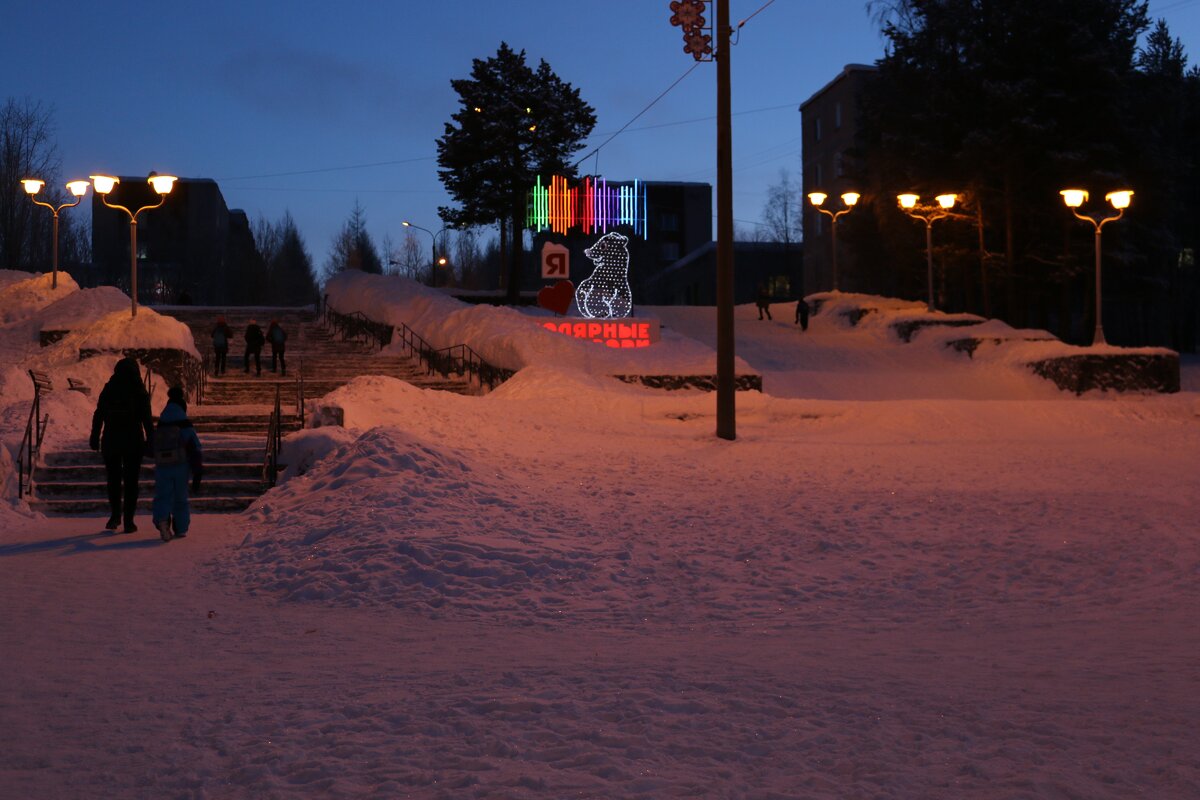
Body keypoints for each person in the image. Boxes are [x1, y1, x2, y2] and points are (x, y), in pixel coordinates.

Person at [89, 357, 154, 533]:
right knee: (132, 481)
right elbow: (147, 419)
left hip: (111, 439)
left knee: (113, 479)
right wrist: (152, 440)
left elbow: (99, 413)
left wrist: (94, 435)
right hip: (133, 440)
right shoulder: (139, 390)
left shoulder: (110, 388)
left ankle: (115, 515)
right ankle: (129, 521)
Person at [152, 386, 202, 542]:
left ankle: (162, 519)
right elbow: (195, 448)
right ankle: (180, 528)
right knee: (180, 497)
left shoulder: (162, 421)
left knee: (163, 496)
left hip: (162, 465)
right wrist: (197, 472)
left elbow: (153, 445)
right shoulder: (185, 423)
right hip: (181, 464)